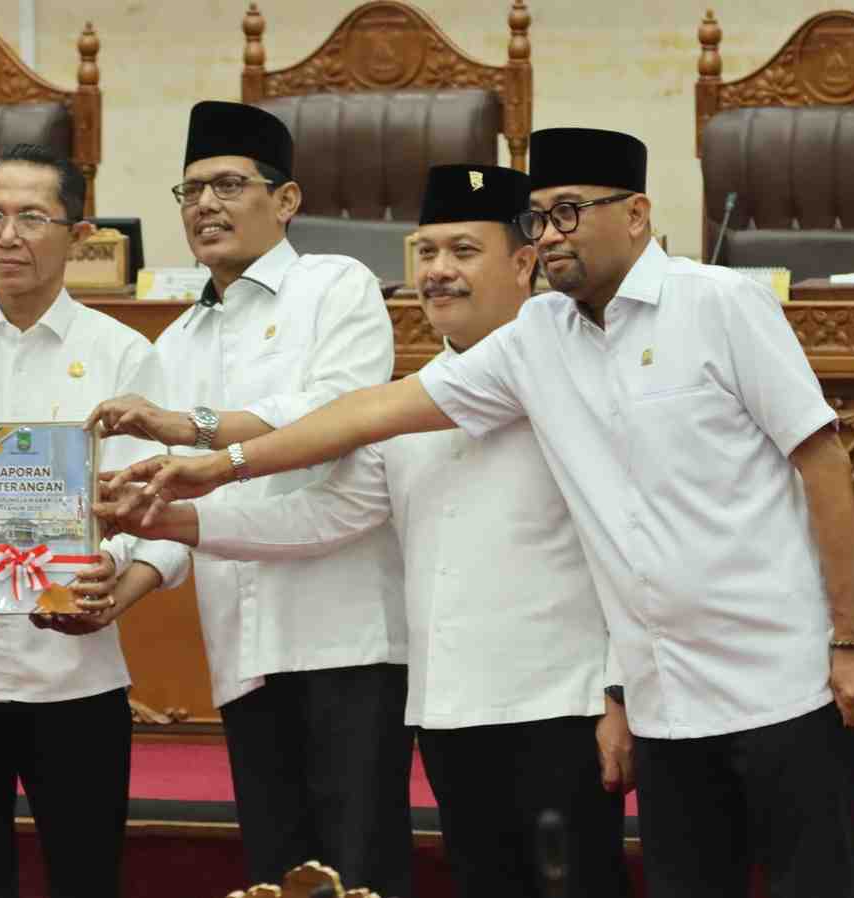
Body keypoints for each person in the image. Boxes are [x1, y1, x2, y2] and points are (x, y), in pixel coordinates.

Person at [110, 127, 854, 898]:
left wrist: (853, 637)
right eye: (541, 216)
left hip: (766, 680)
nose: (552, 234)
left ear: (636, 213)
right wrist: (212, 472)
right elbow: (363, 423)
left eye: (569, 213)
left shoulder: (715, 303)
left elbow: (820, 459)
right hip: (643, 704)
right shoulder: (538, 341)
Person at [98, 164, 630, 898]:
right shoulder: (404, 402)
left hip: (563, 707)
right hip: (450, 712)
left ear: (523, 263)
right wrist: (176, 520)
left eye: (464, 251)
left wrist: (620, 689)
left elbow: (626, 543)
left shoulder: (576, 372)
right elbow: (327, 513)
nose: (438, 271)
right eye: (427, 252)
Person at [85, 100, 412, 896]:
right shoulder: (175, 343)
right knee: (275, 873)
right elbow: (165, 509)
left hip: (345, 639)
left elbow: (334, 414)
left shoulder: (335, 286)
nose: (206, 205)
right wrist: (112, 585)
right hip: (242, 646)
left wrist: (193, 428)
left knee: (360, 871)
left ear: (286, 199)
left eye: (229, 185)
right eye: (191, 190)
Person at [0, 142, 185, 898]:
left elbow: (153, 502)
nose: (7, 236)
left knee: (86, 876)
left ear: (77, 236)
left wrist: (115, 566)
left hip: (75, 671)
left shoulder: (125, 356)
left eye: (31, 217)